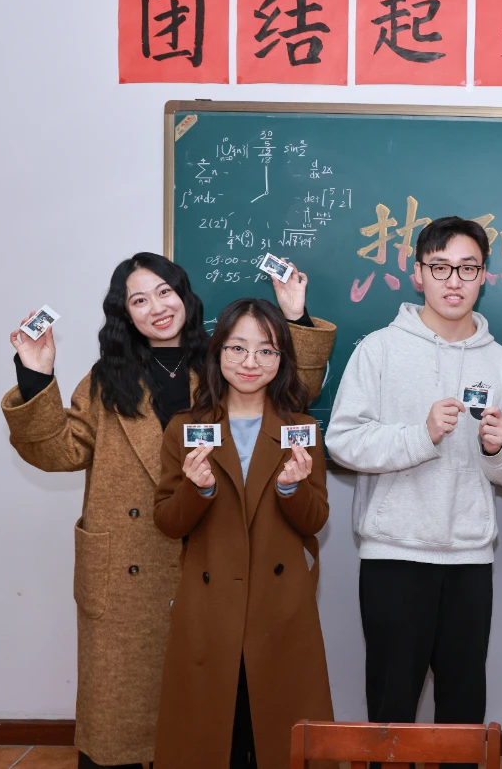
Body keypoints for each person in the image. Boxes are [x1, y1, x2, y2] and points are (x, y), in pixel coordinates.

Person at [1, 252, 334, 769]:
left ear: (185, 296)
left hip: (214, 561)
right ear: (124, 314)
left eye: (165, 292)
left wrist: (294, 316)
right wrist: (36, 376)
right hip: (128, 568)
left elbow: (293, 395)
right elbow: (58, 452)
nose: (156, 307)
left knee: (212, 723)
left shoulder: (224, 361)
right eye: (139, 299)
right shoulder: (106, 380)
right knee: (124, 724)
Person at [325, 216, 502, 732]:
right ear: (418, 274)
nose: (453, 281)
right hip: (393, 554)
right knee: (391, 709)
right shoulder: (378, 349)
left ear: (484, 276)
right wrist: (422, 435)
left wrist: (497, 448)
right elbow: (341, 441)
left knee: (463, 711)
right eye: (440, 267)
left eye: (467, 268)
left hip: (470, 558)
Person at [154, 299, 332, 769]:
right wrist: (197, 490)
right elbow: (168, 522)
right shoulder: (186, 428)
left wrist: (292, 488)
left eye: (266, 350)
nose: (251, 362)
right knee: (214, 737)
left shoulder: (301, 429)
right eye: (237, 348)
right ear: (217, 353)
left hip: (281, 607)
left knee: (276, 734)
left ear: (282, 359)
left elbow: (315, 520)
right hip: (209, 607)